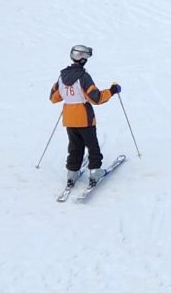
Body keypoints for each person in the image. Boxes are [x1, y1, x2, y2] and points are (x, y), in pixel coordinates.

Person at [50, 45, 120, 193]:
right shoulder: (83, 77)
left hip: (69, 118)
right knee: (92, 145)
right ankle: (95, 172)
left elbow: (54, 97)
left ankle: (72, 173)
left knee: (75, 146)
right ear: (83, 60)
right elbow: (96, 98)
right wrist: (112, 91)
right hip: (84, 118)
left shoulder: (62, 76)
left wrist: (67, 95)